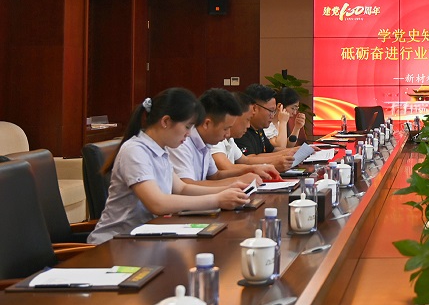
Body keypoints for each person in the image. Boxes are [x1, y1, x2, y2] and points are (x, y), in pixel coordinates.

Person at [88, 88, 250, 244]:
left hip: (145, 237)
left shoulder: (161, 150)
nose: (189, 134)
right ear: (165, 121)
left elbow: (182, 188)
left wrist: (227, 189)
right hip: (115, 242)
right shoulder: (135, 151)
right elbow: (157, 203)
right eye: (187, 127)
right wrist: (216, 200)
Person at [169, 88, 279, 185]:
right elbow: (187, 185)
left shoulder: (206, 141)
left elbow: (215, 175)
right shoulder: (182, 143)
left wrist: (251, 170)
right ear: (207, 123)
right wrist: (236, 181)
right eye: (226, 129)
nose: (228, 134)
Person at [213, 92, 294, 173]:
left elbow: (245, 160)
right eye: (247, 119)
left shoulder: (230, 139)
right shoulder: (215, 139)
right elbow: (226, 168)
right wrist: (270, 166)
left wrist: (287, 155)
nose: (248, 125)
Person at [235, 84, 281, 156]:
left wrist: (293, 151)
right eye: (271, 110)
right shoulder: (240, 129)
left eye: (274, 111)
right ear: (254, 108)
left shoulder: (258, 127)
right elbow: (249, 159)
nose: (272, 116)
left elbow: (272, 151)